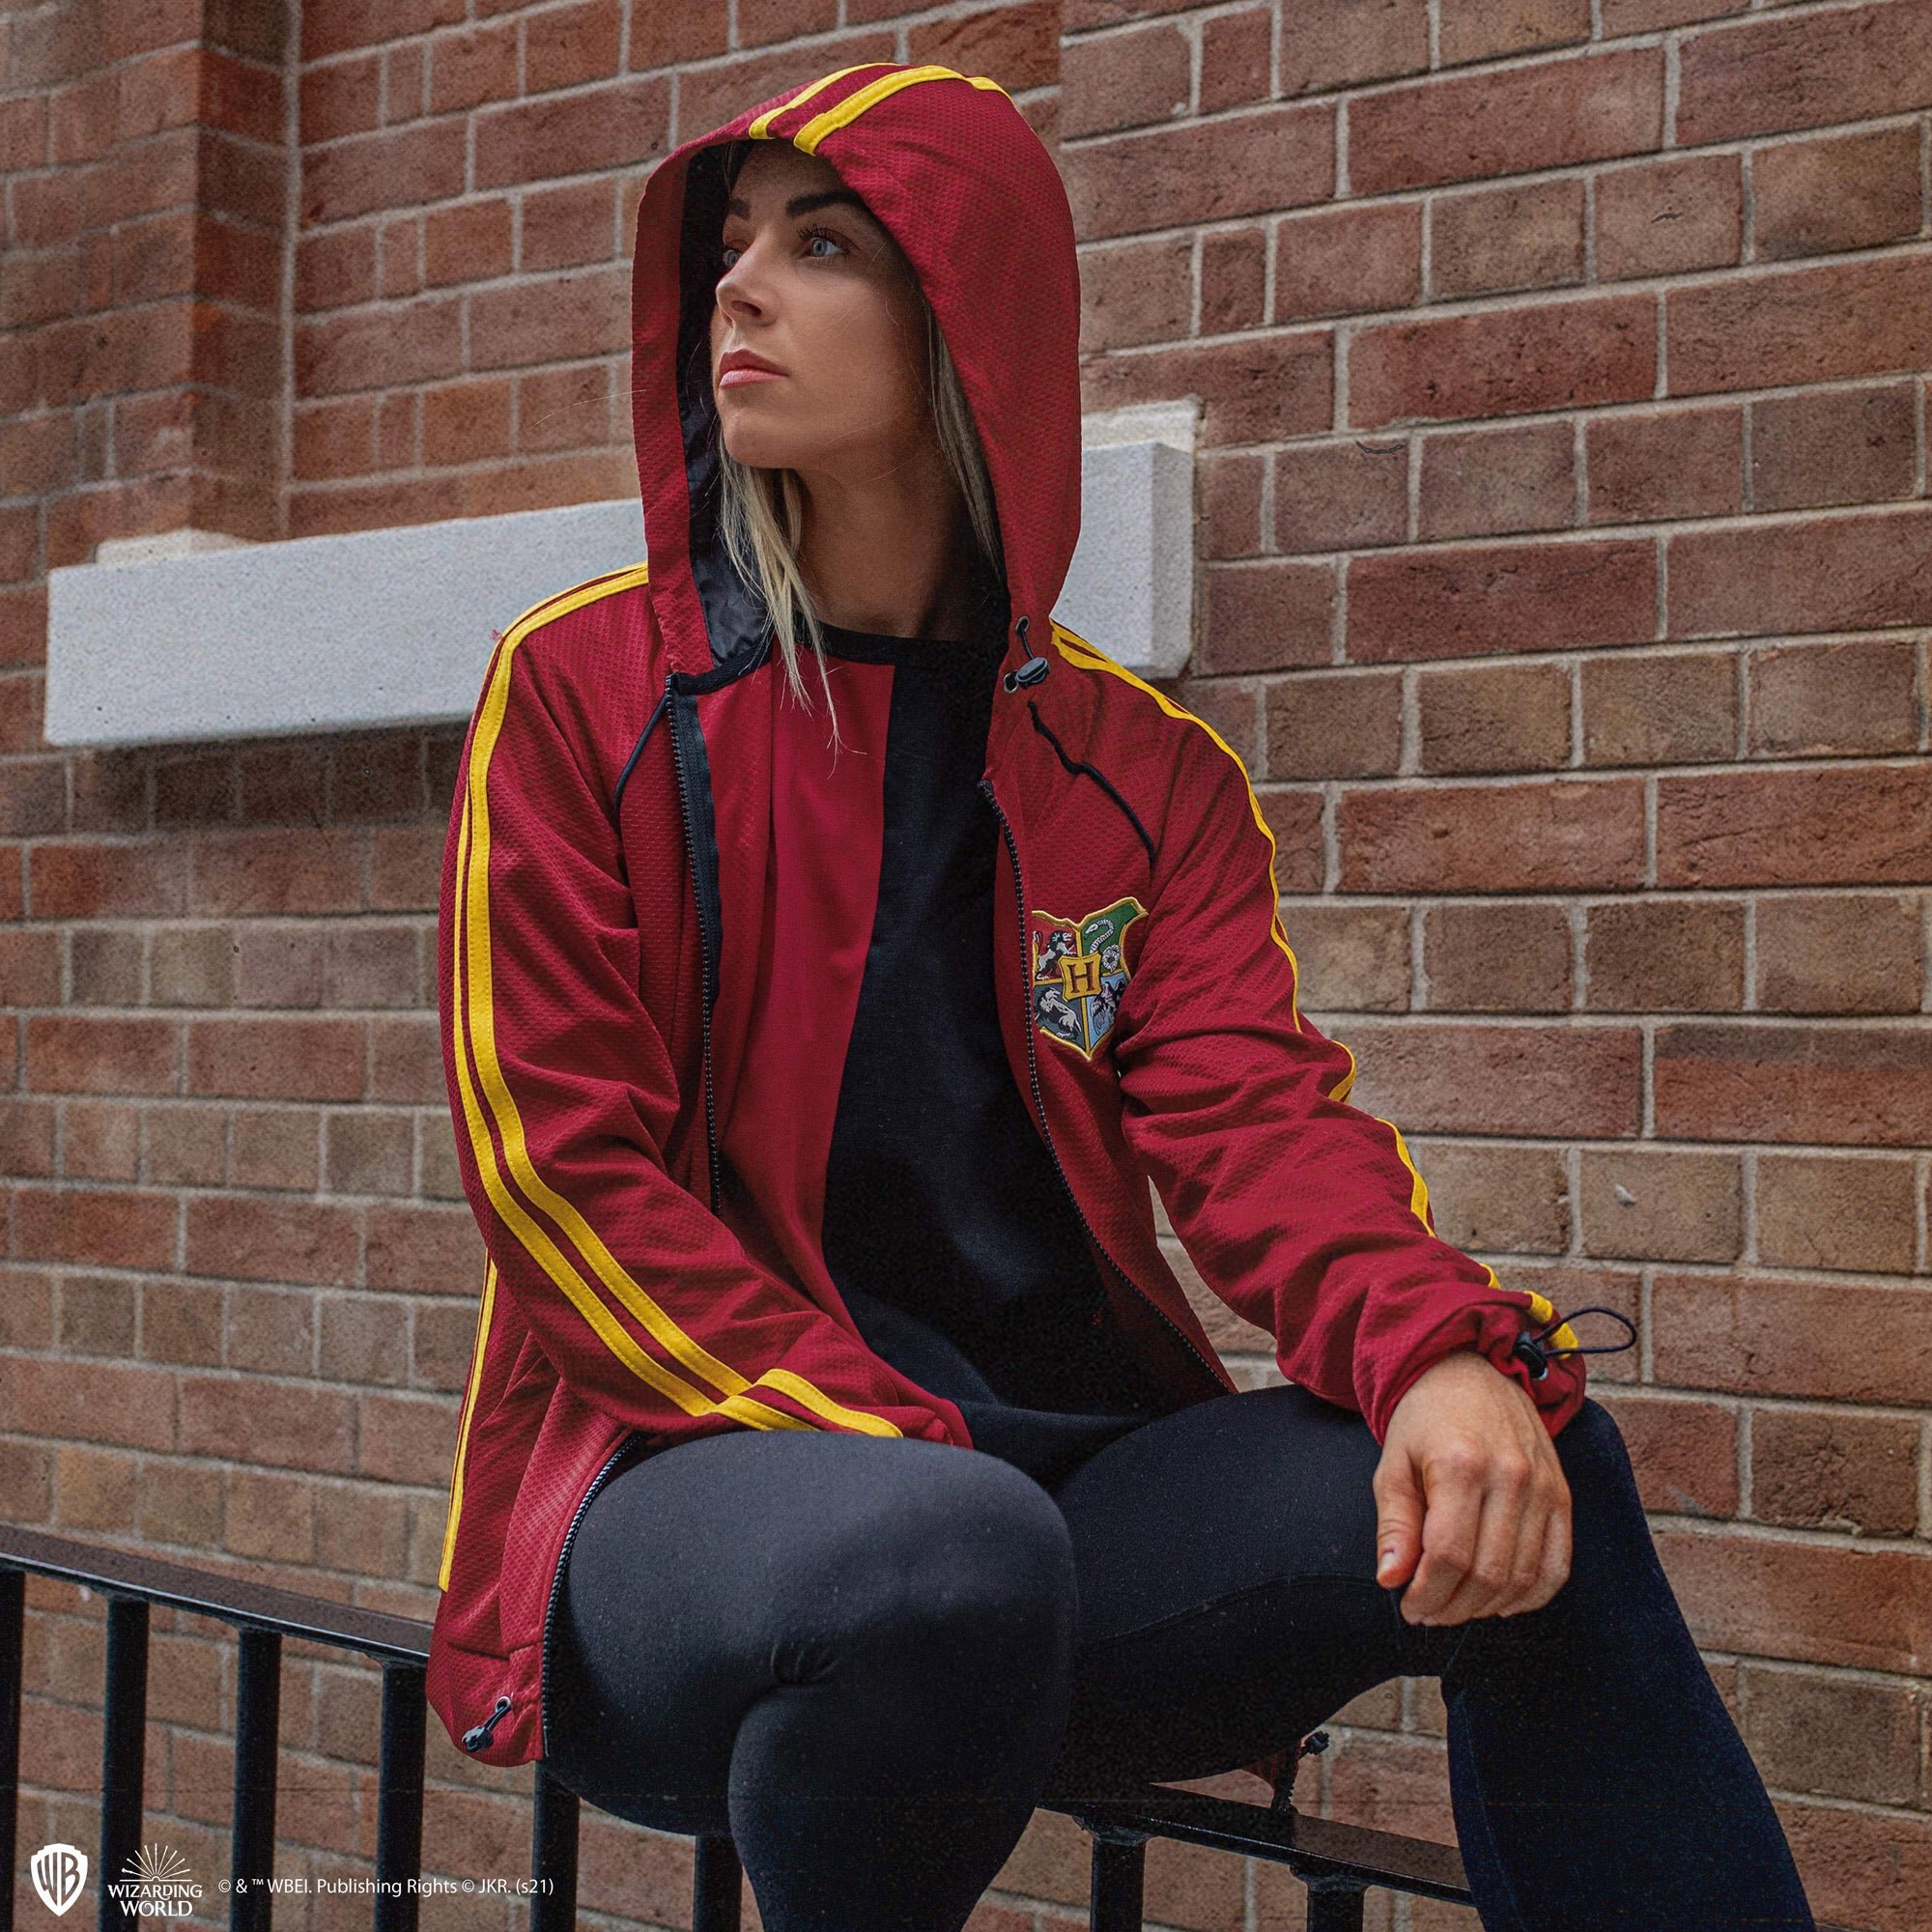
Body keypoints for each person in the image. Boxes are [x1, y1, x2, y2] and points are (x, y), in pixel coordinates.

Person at [426, 61, 1817, 1932]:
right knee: (944, 1545)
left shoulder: (1137, 772)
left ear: (968, 317)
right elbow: (561, 1174)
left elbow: (1256, 1122)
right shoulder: (588, 692)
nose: (734, 286)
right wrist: (896, 1437)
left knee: (1526, 1464)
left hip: (1048, 1512)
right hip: (690, 1504)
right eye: (729, 243)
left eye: (819, 245)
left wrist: (1436, 1351)